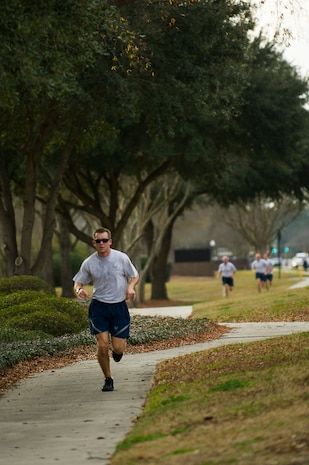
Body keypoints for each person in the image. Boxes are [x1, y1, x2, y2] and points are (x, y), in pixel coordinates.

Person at [73, 227, 139, 392]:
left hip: (119, 307)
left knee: (118, 348)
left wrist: (131, 287)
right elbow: (78, 282)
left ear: (110, 241)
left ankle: (117, 352)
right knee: (102, 345)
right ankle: (108, 379)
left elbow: (134, 275)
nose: (101, 243)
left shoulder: (121, 258)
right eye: (98, 241)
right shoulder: (89, 263)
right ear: (93, 243)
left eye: (104, 240)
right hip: (99, 307)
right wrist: (78, 290)